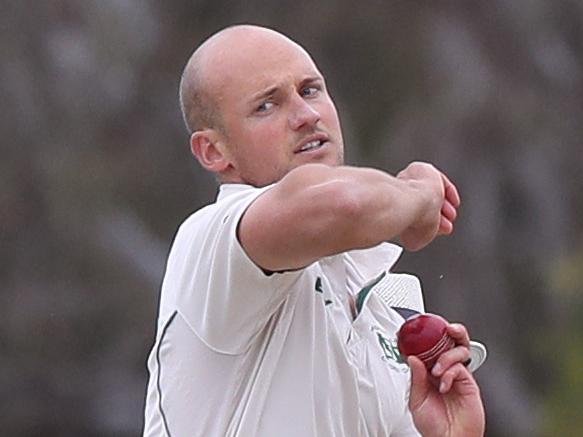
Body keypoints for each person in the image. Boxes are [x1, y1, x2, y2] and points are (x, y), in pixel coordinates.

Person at [143, 24, 485, 437]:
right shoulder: (210, 239)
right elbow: (343, 205)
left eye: (310, 90)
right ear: (214, 151)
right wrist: (418, 197)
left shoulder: (385, 309)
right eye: (267, 106)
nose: (307, 115)